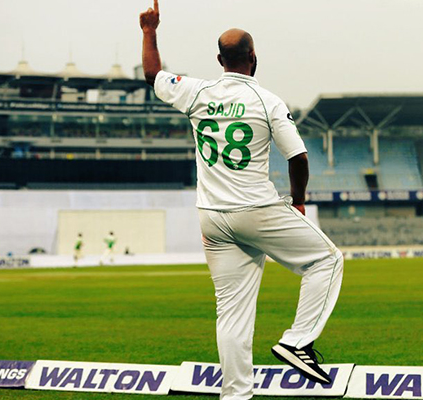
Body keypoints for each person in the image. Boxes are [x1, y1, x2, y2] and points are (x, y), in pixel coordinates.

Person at [140, 2, 344, 399]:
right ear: (254, 58)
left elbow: (152, 75)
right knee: (327, 259)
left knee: (231, 312)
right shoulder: (267, 101)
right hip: (256, 209)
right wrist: (298, 201)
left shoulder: (197, 92)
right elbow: (298, 157)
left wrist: (150, 31)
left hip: (212, 217)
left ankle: (236, 394)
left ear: (219, 60)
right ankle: (297, 341)